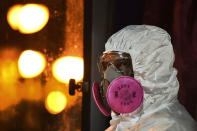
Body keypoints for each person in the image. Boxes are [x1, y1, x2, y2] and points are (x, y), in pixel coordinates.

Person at [92, 25, 197, 131]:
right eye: (107, 65)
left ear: (152, 70)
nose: (109, 75)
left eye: (120, 65)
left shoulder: (173, 126)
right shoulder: (123, 123)